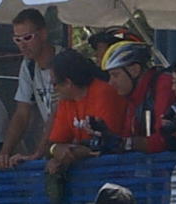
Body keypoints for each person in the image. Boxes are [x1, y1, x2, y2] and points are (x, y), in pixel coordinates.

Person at [45, 49, 127, 204]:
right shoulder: (66, 101)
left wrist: (71, 150)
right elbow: (54, 143)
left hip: (118, 178)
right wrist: (56, 150)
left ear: (68, 83)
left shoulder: (103, 93)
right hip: (89, 182)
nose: (53, 88)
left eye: (55, 83)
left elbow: (105, 143)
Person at [0, 8, 63, 169]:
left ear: (43, 34)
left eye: (27, 37)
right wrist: (4, 153)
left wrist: (38, 153)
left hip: (71, 144)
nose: (22, 45)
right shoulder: (28, 65)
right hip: (52, 147)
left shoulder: (65, 60)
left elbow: (59, 112)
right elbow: (22, 114)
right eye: (17, 40)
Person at [99, 41, 175, 153]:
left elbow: (163, 141)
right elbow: (128, 133)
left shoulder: (163, 85)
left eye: (115, 75)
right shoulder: (134, 95)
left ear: (134, 70)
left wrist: (124, 143)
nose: (110, 83)